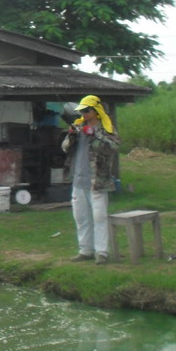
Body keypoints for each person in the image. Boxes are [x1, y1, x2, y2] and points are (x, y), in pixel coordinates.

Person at [62, 95, 120, 265]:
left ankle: (102, 252)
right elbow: (65, 148)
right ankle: (85, 250)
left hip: (98, 180)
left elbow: (114, 148)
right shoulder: (79, 126)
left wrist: (95, 134)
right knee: (81, 217)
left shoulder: (106, 129)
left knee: (99, 217)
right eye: (82, 111)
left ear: (96, 111)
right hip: (78, 180)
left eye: (87, 111)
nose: (84, 114)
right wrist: (72, 135)